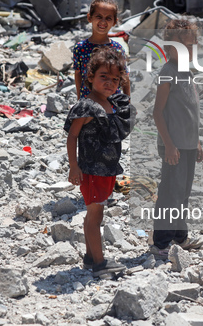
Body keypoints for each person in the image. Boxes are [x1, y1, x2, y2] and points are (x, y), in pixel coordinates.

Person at [65, 46, 135, 278]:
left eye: (115, 79)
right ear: (90, 77)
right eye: (103, 77)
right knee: (94, 216)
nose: (109, 83)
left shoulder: (112, 103)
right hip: (92, 171)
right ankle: (99, 263)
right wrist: (74, 166)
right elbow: (73, 135)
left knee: (97, 213)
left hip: (106, 170)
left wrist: (125, 82)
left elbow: (127, 98)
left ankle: (89, 257)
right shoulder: (87, 105)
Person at [149, 19, 203, 260]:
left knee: (183, 192)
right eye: (184, 46)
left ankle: (180, 236)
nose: (189, 51)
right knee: (170, 193)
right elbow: (157, 112)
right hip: (173, 146)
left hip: (188, 144)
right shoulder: (167, 72)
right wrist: (169, 144)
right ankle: (160, 242)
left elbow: (190, 112)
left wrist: (197, 142)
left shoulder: (188, 73)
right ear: (169, 48)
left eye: (192, 46)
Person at [72, 0, 130, 100]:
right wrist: (79, 98)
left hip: (112, 102)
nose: (103, 22)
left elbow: (124, 76)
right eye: (99, 16)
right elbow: (78, 74)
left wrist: (127, 101)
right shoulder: (80, 48)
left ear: (114, 22)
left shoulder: (117, 49)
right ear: (90, 18)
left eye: (108, 18)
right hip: (88, 101)